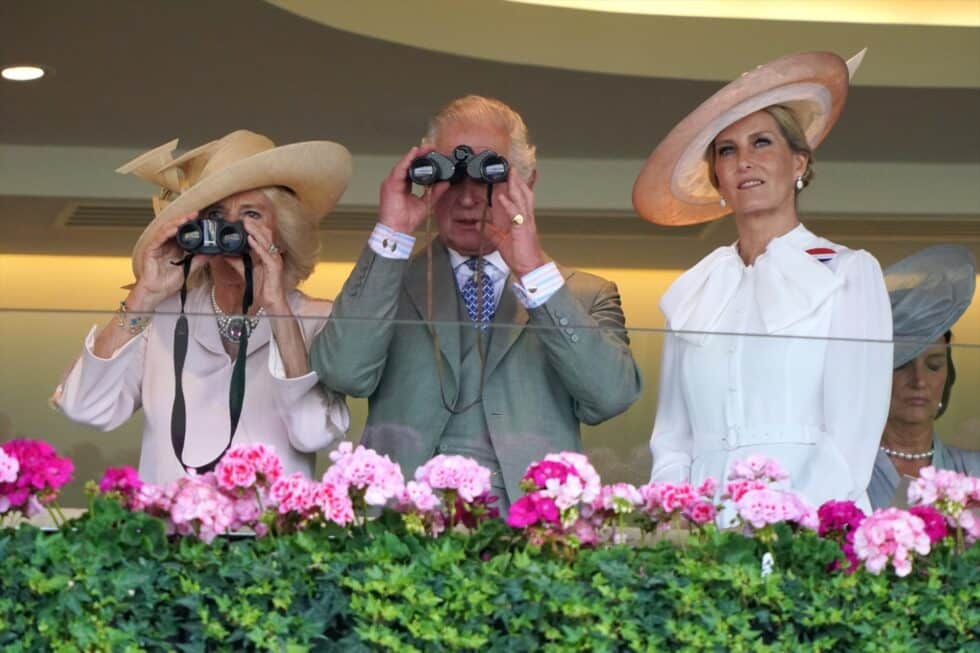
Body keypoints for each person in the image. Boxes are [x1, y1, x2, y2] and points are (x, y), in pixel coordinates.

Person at [310, 95, 642, 510]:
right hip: (405, 526)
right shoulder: (386, 280)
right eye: (451, 177)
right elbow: (343, 373)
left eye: (488, 175)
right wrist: (392, 232)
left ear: (527, 184)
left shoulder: (584, 295)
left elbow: (610, 397)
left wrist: (535, 273)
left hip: (532, 529)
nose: (468, 199)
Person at [634, 51, 892, 512]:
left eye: (762, 143)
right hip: (705, 534)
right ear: (716, 176)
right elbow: (672, 438)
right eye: (727, 150)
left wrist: (787, 527)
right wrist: (677, 519)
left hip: (813, 524)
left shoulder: (847, 271)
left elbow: (853, 439)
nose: (744, 161)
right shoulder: (695, 288)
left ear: (799, 163)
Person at [54, 130, 352, 484]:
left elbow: (313, 433)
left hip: (272, 534)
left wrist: (277, 307)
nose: (232, 227)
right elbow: (85, 408)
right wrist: (144, 296)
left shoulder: (318, 320)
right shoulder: (164, 316)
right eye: (216, 214)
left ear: (283, 234)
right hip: (170, 531)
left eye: (251, 213)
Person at [869, 245, 980, 509]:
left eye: (933, 365)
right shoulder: (850, 470)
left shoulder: (973, 470)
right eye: (903, 365)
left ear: (947, 377)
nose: (918, 380)